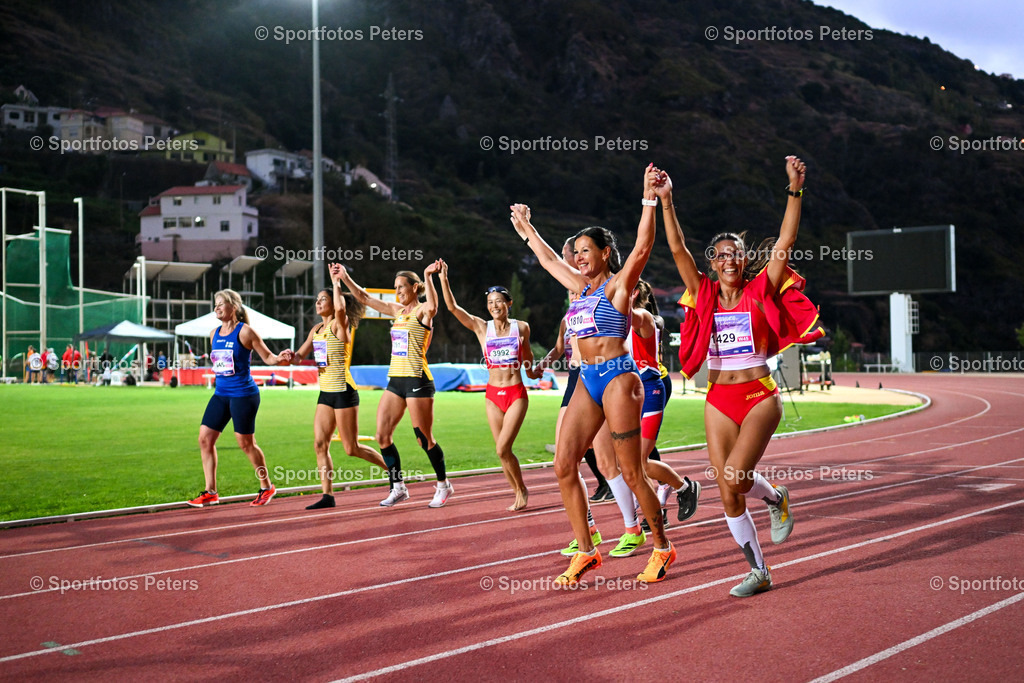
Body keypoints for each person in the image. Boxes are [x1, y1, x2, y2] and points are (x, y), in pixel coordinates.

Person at [662, 155, 823, 597]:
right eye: (722, 254)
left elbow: (786, 239)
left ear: (744, 259)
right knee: (729, 494)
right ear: (712, 262)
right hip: (717, 398)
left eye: (736, 254)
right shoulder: (703, 293)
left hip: (758, 395)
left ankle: (775, 499)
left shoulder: (759, 289)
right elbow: (677, 249)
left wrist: (795, 188)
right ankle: (760, 566)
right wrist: (666, 200)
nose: (730, 259)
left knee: (733, 476)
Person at [509, 163, 676, 586]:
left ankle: (661, 546)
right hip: (588, 379)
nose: (578, 257)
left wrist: (647, 197)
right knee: (564, 464)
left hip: (621, 378)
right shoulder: (578, 289)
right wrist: (527, 229)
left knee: (631, 471)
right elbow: (547, 259)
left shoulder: (618, 287)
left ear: (604, 253)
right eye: (576, 252)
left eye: (586, 250)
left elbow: (642, 245)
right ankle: (586, 551)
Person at [338, 262, 453, 508]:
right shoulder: (397, 311)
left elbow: (433, 306)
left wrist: (427, 276)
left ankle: (443, 485)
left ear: (414, 288)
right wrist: (345, 276)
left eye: (401, 287)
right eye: (395, 288)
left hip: (417, 381)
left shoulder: (422, 311)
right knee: (382, 435)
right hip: (396, 381)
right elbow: (364, 297)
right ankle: (398, 487)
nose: (397, 291)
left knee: (424, 439)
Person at [437, 260, 533, 511]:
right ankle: (517, 492)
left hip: (516, 393)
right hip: (492, 395)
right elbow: (453, 307)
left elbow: (528, 359)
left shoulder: (521, 327)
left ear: (508, 304)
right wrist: (444, 278)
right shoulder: (482, 327)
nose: (494, 306)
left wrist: (536, 369)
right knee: (501, 452)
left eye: (498, 301)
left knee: (503, 447)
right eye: (490, 303)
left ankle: (521, 489)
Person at [291, 265, 387, 510]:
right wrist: (286, 355)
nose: (318, 302)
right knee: (319, 444)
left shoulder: (339, 324)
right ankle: (328, 496)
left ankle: (394, 472)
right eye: (317, 300)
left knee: (350, 448)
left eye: (323, 299)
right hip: (326, 393)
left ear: (334, 303)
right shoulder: (316, 330)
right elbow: (299, 356)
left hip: (344, 391)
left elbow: (342, 308)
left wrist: (336, 283)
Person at [187, 289, 293, 508]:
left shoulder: (245, 332)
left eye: (220, 304)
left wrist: (281, 358)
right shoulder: (213, 333)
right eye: (214, 304)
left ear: (233, 307)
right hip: (221, 394)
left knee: (246, 444)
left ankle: (267, 486)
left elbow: (268, 357)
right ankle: (210, 492)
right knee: (205, 439)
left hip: (244, 395)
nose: (216, 308)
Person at [628, 280, 700, 531]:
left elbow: (626, 313)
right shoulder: (619, 321)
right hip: (627, 393)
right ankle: (657, 504)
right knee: (628, 461)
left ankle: (681, 488)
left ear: (633, 292)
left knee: (638, 462)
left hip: (650, 389)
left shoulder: (642, 316)